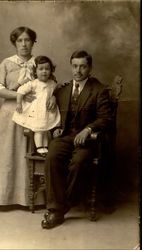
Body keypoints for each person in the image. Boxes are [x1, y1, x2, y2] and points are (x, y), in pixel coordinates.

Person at [41, 50, 112, 229]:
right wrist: (56, 127)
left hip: (89, 140)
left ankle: (60, 208)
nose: (78, 71)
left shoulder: (99, 89)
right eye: (74, 66)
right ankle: (57, 207)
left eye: (82, 67)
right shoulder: (63, 89)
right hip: (66, 136)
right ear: (71, 66)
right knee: (52, 156)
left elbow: (105, 118)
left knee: (78, 163)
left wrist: (88, 130)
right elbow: (55, 111)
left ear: (90, 68)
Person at [0, 26, 56, 206]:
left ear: (33, 42)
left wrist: (54, 97)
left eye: (27, 40)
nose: (24, 44)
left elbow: (51, 84)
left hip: (37, 116)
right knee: (10, 154)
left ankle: (34, 199)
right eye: (20, 41)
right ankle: (6, 198)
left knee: (33, 150)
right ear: (14, 43)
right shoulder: (6, 63)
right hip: (11, 114)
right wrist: (20, 95)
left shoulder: (39, 62)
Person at [12, 56, 61, 157]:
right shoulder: (33, 83)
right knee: (39, 130)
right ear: (35, 71)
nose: (44, 72)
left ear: (51, 70)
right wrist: (18, 103)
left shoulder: (52, 83)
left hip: (47, 111)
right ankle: (39, 147)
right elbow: (20, 91)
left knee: (46, 129)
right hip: (37, 111)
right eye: (41, 69)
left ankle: (45, 147)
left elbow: (58, 91)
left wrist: (54, 96)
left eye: (47, 69)